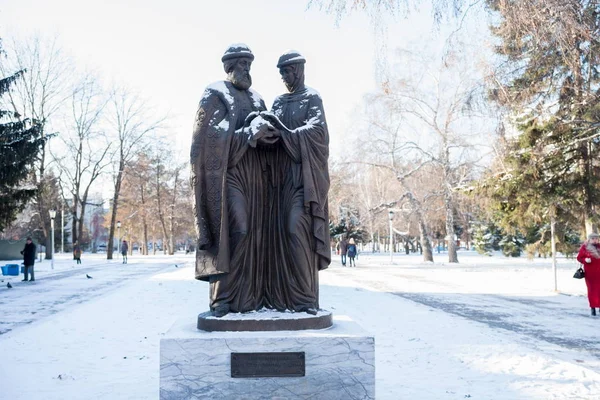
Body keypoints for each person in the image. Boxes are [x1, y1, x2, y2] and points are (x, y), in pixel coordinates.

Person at [190, 44, 269, 317]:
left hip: (255, 177)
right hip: (227, 178)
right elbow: (209, 143)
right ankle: (221, 298)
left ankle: (248, 296)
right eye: (242, 64)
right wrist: (247, 133)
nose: (247, 69)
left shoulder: (258, 99)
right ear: (230, 67)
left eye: (249, 63)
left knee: (256, 234)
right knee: (238, 230)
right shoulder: (215, 94)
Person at [258, 50, 331, 314]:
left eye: (287, 72)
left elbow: (319, 134)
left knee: (294, 230)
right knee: (276, 236)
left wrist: (287, 134)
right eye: (280, 74)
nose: (284, 78)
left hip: (303, 180)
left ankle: (305, 298)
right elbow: (269, 131)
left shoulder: (311, 98)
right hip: (278, 182)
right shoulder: (278, 102)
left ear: (298, 70)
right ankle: (281, 297)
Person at [577, 232, 600, 316]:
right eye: (593, 239)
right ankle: (593, 308)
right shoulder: (585, 247)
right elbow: (579, 258)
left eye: (596, 239)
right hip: (590, 274)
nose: (595, 240)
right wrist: (585, 260)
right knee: (592, 291)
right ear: (589, 239)